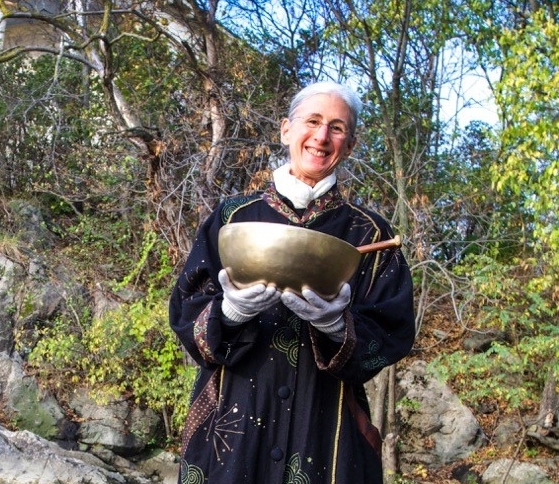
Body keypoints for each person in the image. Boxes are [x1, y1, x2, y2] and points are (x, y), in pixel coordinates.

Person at [169, 81, 415, 484]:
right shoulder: (231, 218)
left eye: (337, 128)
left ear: (349, 145)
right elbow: (185, 310)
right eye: (313, 121)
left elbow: (395, 331)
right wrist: (227, 313)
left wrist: (340, 326)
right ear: (286, 130)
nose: (321, 136)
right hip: (231, 432)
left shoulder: (370, 234)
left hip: (327, 433)